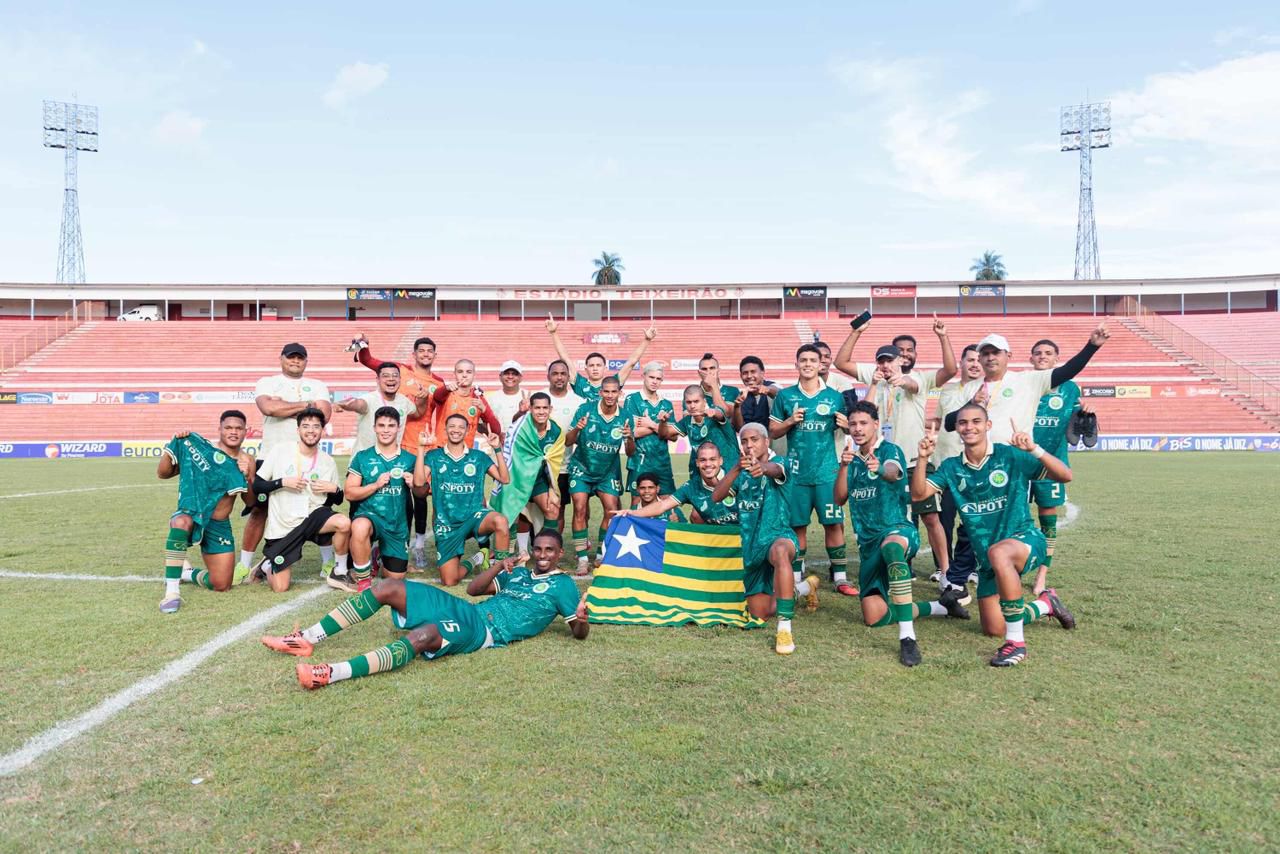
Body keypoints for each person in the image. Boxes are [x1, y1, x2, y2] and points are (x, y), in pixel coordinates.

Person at [261, 529, 588, 690]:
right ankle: (305, 639)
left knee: (424, 635)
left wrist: (582, 622)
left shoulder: (563, 586)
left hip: (485, 632)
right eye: (539, 549)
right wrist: (499, 566)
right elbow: (474, 590)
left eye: (550, 550)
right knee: (387, 586)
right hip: (469, 610)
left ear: (560, 554)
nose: (543, 554)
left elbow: (578, 632)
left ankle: (330, 673)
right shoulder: (520, 572)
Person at [912, 405, 1077, 667]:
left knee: (999, 551)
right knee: (993, 627)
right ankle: (1046, 604)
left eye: (976, 421)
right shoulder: (951, 467)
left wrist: (1034, 449)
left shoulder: (1010, 456)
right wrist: (922, 458)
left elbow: (1065, 475)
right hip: (987, 558)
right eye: (963, 423)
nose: (969, 427)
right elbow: (919, 495)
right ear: (957, 429)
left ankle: (1016, 645)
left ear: (988, 426)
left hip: (1024, 540)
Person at [833, 402, 969, 667]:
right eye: (853, 424)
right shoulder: (850, 456)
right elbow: (839, 499)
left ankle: (907, 638)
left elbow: (893, 472)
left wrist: (879, 469)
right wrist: (843, 467)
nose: (858, 429)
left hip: (899, 530)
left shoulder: (888, 449)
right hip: (868, 544)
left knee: (893, 549)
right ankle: (941, 606)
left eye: (863, 423)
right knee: (875, 617)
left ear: (875, 424)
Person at [835, 314, 958, 587]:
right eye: (882, 360)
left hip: (913, 460)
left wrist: (942, 336)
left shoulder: (917, 379)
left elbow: (948, 371)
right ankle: (898, 564)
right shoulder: (874, 376)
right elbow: (840, 363)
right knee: (889, 514)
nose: (886, 364)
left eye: (891, 360)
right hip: (880, 459)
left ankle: (946, 571)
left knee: (929, 516)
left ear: (901, 361)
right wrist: (857, 332)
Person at [710, 423, 813, 655]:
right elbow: (717, 496)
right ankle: (803, 589)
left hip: (779, 537)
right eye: (744, 441)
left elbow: (775, 469)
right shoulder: (741, 471)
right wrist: (736, 468)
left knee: (780, 552)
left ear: (767, 442)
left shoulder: (782, 462)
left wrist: (762, 468)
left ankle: (785, 628)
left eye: (754, 440)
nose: (749, 445)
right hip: (752, 549)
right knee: (760, 613)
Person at [349, 333, 444, 570]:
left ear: (434, 355)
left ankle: (417, 547)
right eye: (421, 351)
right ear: (414, 354)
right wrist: (364, 345)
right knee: (391, 501)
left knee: (420, 498)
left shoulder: (440, 383)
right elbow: (370, 361)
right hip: (397, 444)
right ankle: (368, 552)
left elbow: (436, 411)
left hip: (421, 447)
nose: (425, 354)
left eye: (429, 351)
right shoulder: (401, 371)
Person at [769, 344, 854, 596]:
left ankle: (840, 577)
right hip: (796, 473)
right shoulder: (785, 397)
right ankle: (796, 576)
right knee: (797, 526)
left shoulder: (835, 397)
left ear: (820, 365)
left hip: (828, 472)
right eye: (803, 360)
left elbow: (851, 429)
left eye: (812, 360)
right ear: (796, 364)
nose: (807, 364)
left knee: (834, 524)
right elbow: (772, 431)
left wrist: (847, 425)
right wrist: (789, 422)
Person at [243, 343, 332, 580]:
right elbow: (268, 407)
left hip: (308, 459)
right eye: (291, 357)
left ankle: (328, 563)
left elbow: (323, 415)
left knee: (318, 506)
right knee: (259, 511)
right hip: (271, 456)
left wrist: (286, 406)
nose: (295, 361)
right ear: (281, 358)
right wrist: (307, 406)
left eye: (300, 358)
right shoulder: (267, 382)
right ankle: (244, 564)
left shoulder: (318, 385)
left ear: (306, 360)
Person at [944, 323, 1110, 443]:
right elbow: (949, 423)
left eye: (996, 352)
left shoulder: (1027, 380)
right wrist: (971, 404)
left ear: (1008, 356)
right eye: (985, 353)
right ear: (979, 358)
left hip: (1014, 457)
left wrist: (1092, 346)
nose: (990, 357)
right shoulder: (970, 387)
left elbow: (1068, 371)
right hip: (976, 460)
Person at [156, 411, 253, 613]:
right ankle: (171, 593)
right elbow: (162, 473)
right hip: (191, 513)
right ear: (219, 429)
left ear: (246, 432)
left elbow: (250, 502)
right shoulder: (202, 451)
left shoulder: (247, 460)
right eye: (228, 427)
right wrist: (173, 444)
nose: (233, 432)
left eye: (238, 428)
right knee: (181, 522)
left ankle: (188, 573)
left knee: (222, 585)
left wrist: (248, 476)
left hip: (218, 525)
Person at [251, 408, 351, 593]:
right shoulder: (280, 450)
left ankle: (340, 570)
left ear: (322, 430)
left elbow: (336, 500)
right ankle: (266, 566)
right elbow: (257, 486)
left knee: (343, 523)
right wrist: (281, 482)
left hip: (313, 516)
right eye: (305, 426)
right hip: (284, 524)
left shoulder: (327, 461)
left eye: (316, 426)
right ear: (298, 430)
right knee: (281, 588)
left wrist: (334, 489)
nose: (311, 431)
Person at [418, 413, 512, 586]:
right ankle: (478, 557)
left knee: (500, 521)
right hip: (446, 524)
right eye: (452, 426)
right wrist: (421, 449)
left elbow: (504, 479)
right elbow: (418, 482)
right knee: (449, 580)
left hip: (474, 517)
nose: (456, 430)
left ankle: (501, 573)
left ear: (468, 430)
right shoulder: (433, 456)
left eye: (461, 427)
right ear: (445, 429)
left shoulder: (478, 457)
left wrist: (497, 449)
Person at [344, 407, 424, 591]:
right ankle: (364, 582)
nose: (386, 430)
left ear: (398, 428)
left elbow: (422, 494)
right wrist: (375, 485)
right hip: (370, 516)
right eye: (381, 425)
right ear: (374, 428)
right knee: (359, 526)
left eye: (391, 425)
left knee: (394, 580)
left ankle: (377, 557)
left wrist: (414, 485)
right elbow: (349, 493)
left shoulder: (410, 460)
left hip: (396, 525)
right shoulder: (362, 457)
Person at [1028, 339, 1084, 595]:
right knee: (1012, 516)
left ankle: (1042, 574)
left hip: (1052, 463)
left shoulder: (1071, 389)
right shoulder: (1023, 383)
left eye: (1048, 353)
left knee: (1047, 521)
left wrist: (1086, 413)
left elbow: (1076, 425)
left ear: (1056, 359)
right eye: (1038, 353)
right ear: (1031, 359)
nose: (1042, 356)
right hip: (1019, 462)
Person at [932, 344, 984, 598]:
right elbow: (943, 423)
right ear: (961, 362)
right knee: (943, 518)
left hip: (971, 465)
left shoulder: (986, 388)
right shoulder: (948, 389)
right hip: (943, 461)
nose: (975, 364)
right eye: (970, 359)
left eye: (978, 360)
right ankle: (944, 567)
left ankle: (969, 567)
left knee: (971, 520)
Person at [564, 376, 628, 575]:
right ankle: (582, 559)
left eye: (613, 391)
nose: (610, 395)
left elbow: (631, 451)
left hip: (608, 471)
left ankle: (601, 555)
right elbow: (568, 441)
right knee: (580, 509)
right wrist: (577, 428)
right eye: (606, 391)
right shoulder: (586, 410)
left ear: (619, 393)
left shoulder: (625, 416)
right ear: (600, 392)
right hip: (581, 468)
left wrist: (630, 437)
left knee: (611, 511)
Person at [616, 442, 737, 526]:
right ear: (697, 463)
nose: (708, 464)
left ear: (720, 461)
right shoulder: (690, 487)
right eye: (703, 460)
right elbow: (662, 506)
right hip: (720, 539)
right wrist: (632, 512)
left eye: (712, 459)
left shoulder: (737, 478)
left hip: (744, 536)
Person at [545, 314, 655, 401]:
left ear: (605, 368)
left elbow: (632, 362)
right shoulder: (579, 383)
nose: (595, 368)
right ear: (586, 368)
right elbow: (565, 358)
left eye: (598, 365)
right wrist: (553, 333)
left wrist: (647, 340)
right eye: (591, 365)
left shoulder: (613, 383)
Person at [334, 362, 423, 453]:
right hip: (364, 462)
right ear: (378, 380)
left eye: (395, 375)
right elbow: (358, 404)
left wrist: (424, 398)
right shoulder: (369, 399)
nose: (391, 379)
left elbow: (419, 413)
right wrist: (343, 404)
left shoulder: (404, 401)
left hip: (391, 460)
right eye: (386, 376)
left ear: (400, 379)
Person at [621, 361, 678, 496]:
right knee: (638, 504)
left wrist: (651, 424)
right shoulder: (632, 399)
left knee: (668, 506)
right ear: (644, 376)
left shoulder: (666, 404)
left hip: (662, 462)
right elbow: (633, 432)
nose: (654, 381)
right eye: (651, 377)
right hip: (639, 462)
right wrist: (662, 426)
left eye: (658, 379)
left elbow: (674, 436)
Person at [545, 359, 585, 539]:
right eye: (555, 373)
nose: (559, 377)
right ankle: (528, 546)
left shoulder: (578, 402)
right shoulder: (539, 398)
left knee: (558, 508)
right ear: (548, 376)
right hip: (538, 465)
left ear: (569, 376)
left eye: (563, 373)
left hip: (563, 466)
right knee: (531, 507)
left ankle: (554, 544)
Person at [431, 359, 503, 448]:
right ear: (455, 374)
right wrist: (447, 388)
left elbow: (496, 430)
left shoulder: (478, 398)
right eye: (460, 372)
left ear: (474, 375)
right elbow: (436, 396)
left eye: (468, 372)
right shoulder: (446, 393)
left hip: (465, 452)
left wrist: (484, 410)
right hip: (442, 449)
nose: (464, 375)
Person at [673, 384, 738, 476]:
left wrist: (714, 412)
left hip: (728, 471)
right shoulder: (687, 421)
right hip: (704, 472)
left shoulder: (715, 413)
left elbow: (720, 414)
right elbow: (666, 433)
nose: (692, 406)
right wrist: (660, 423)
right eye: (689, 402)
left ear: (704, 401)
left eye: (696, 401)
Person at [732, 355, 779, 432]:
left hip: (773, 440)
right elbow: (739, 429)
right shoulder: (741, 396)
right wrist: (737, 407)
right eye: (745, 373)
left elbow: (779, 392)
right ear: (741, 376)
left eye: (753, 372)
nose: (749, 376)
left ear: (762, 373)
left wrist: (767, 390)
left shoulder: (771, 386)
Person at [489, 360, 531, 434]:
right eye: (506, 373)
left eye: (514, 374)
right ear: (500, 377)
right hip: (498, 443)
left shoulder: (529, 397)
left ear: (520, 378)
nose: (510, 377)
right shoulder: (491, 399)